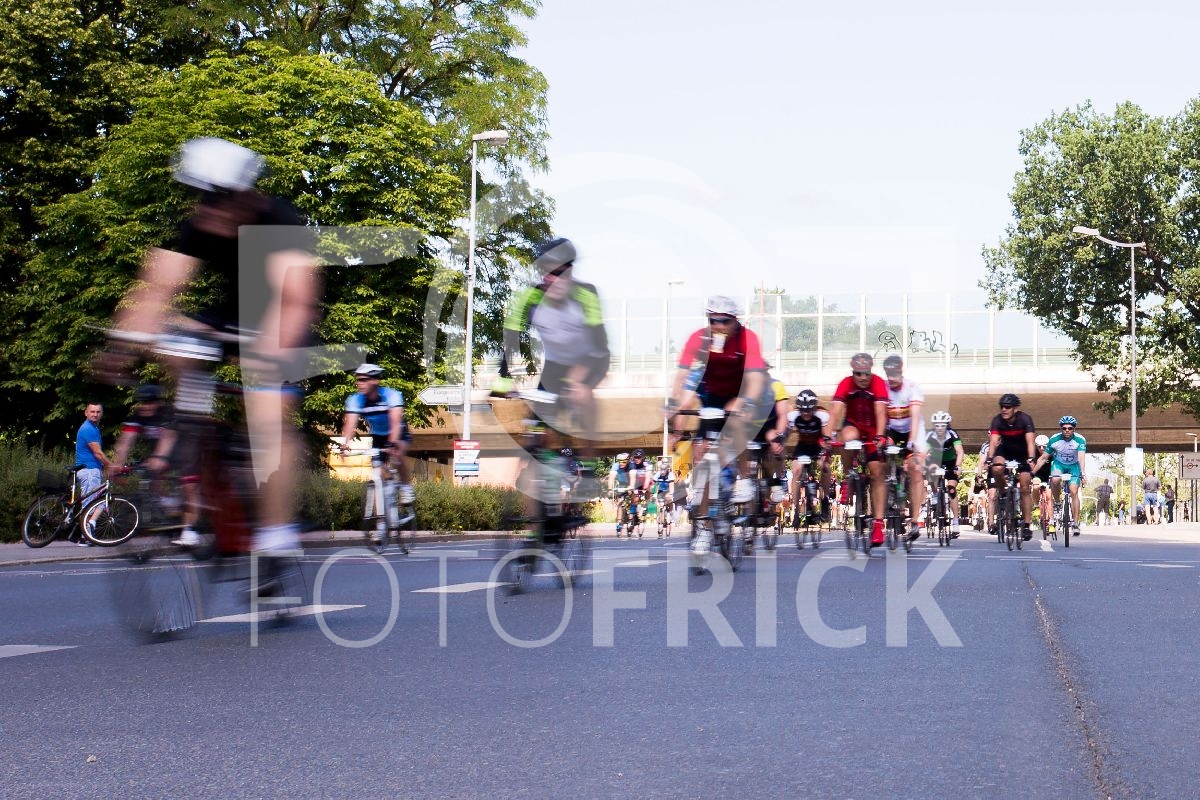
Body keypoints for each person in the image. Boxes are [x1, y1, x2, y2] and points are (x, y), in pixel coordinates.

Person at [101, 137, 320, 554]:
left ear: (245, 196)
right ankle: (195, 432)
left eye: (218, 199)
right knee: (172, 341)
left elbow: (296, 300)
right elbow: (155, 290)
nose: (208, 210)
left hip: (280, 313)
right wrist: (122, 347)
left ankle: (276, 532)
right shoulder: (197, 225)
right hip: (229, 314)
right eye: (201, 199)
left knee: (268, 415)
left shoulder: (278, 219)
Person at [495, 237, 609, 454]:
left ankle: (587, 463)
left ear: (570, 274)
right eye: (547, 273)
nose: (552, 280)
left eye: (559, 273)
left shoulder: (586, 294)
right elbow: (511, 337)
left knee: (583, 397)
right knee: (538, 429)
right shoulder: (531, 296)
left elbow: (600, 348)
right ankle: (539, 461)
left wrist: (582, 382)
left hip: (589, 360)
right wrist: (503, 377)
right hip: (555, 364)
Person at [666, 296, 768, 489]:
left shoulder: (747, 338)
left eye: (725, 321)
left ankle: (744, 478)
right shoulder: (699, 338)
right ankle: (702, 496)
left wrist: (747, 403)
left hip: (740, 391)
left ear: (735, 320)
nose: (719, 326)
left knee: (735, 419)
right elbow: (682, 375)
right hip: (713, 394)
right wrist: (673, 402)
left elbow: (755, 379)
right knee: (701, 446)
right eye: (713, 320)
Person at [111, 384, 202, 546]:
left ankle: (191, 531)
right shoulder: (137, 416)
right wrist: (117, 465)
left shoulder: (168, 413)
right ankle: (169, 507)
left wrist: (158, 457)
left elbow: (168, 437)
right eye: (144, 402)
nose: (147, 406)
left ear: (159, 402)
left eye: (151, 402)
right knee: (151, 478)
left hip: (186, 452)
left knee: (189, 487)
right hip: (163, 454)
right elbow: (125, 441)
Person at [338, 364, 415, 531]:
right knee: (377, 473)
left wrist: (392, 444)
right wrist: (344, 444)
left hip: (398, 432)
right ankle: (382, 516)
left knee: (397, 455)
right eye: (358, 380)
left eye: (363, 380)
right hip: (378, 436)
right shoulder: (355, 400)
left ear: (375, 380)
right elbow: (350, 425)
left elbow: (395, 422)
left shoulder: (391, 395)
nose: (359, 383)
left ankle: (406, 487)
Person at [828, 352, 889, 546]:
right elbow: (835, 411)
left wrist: (880, 436)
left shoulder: (878, 383)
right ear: (852, 372)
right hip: (854, 425)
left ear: (871, 372)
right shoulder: (846, 383)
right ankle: (849, 475)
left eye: (866, 373)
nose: (863, 378)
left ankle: (878, 524)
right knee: (846, 437)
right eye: (858, 374)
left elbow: (881, 411)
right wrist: (826, 435)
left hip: (874, 429)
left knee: (877, 472)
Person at [881, 354, 927, 541]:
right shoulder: (882, 388)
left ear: (901, 370)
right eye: (888, 374)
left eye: (894, 373)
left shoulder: (912, 388)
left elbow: (915, 418)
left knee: (916, 469)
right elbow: (880, 417)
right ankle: (891, 481)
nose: (891, 378)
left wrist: (910, 444)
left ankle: (914, 521)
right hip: (892, 430)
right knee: (881, 456)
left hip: (913, 430)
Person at [986, 392, 1036, 541]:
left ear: (1015, 408)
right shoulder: (997, 420)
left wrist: (1031, 458)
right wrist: (989, 458)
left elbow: (1030, 442)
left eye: (1007, 407)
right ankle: (1003, 492)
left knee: (1025, 487)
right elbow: (993, 442)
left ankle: (1026, 526)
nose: (1004, 409)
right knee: (996, 467)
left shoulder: (1025, 419)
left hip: (1022, 452)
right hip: (1005, 450)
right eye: (1002, 406)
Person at [1037, 415, 1087, 537]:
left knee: (1074, 491)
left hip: (1073, 466)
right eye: (1064, 428)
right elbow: (1043, 457)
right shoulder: (1054, 439)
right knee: (1055, 479)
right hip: (1059, 464)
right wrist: (1032, 472)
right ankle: (1058, 502)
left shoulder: (1080, 440)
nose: (1067, 430)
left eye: (1070, 428)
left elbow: (1081, 457)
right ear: (1061, 429)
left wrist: (1083, 473)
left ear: (1074, 429)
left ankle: (1075, 523)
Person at [789, 389, 832, 527]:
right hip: (803, 446)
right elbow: (785, 431)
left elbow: (827, 435)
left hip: (818, 444)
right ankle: (796, 510)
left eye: (809, 410)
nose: (806, 414)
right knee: (796, 471)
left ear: (814, 408)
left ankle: (825, 500)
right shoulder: (793, 415)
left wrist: (826, 445)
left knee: (825, 467)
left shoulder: (822, 415)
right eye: (803, 410)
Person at [925, 410, 964, 538]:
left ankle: (956, 523)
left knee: (951, 489)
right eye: (937, 425)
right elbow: (924, 452)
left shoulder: (952, 434)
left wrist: (958, 467)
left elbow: (960, 451)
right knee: (931, 471)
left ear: (947, 425)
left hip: (951, 461)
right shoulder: (930, 435)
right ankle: (935, 493)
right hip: (936, 460)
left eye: (943, 425)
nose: (940, 428)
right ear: (933, 426)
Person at [75, 402, 111, 500]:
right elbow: (98, 453)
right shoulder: (88, 428)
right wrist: (111, 466)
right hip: (89, 471)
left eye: (98, 412)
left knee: (98, 504)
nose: (95, 414)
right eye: (92, 412)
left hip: (91, 470)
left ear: (102, 413)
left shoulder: (94, 428)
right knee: (90, 504)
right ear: (86, 413)